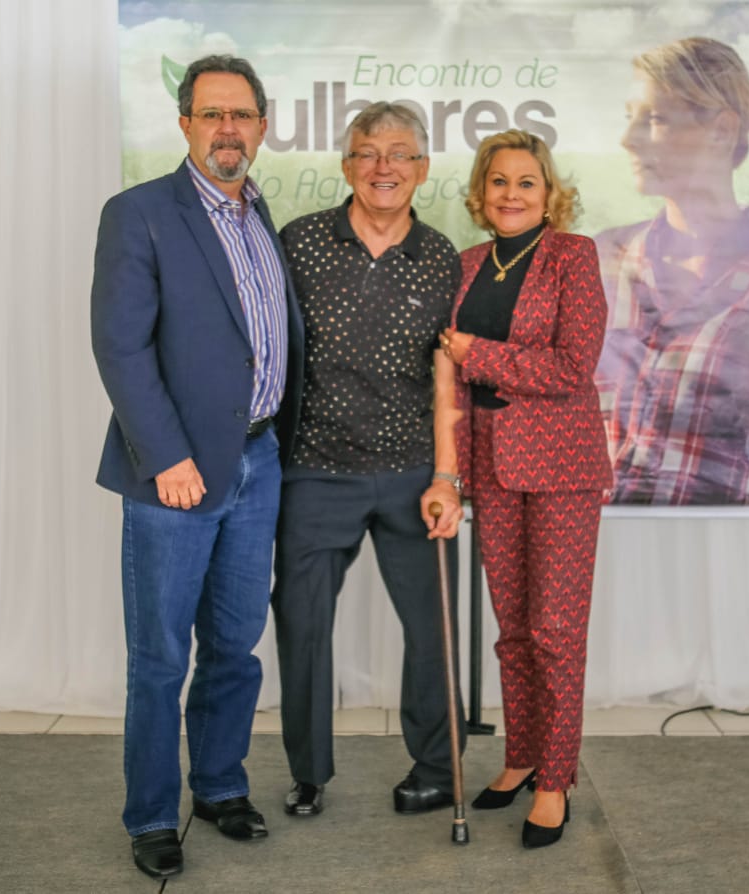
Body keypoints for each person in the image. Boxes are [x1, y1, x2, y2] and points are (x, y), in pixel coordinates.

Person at [90, 54, 303, 881]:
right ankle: (150, 815)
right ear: (184, 123)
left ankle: (218, 786)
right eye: (211, 113)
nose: (227, 128)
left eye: (240, 114)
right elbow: (120, 347)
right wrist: (168, 458)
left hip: (257, 461)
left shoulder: (258, 214)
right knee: (159, 659)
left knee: (234, 646)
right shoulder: (139, 213)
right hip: (175, 476)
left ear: (261, 125)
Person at [272, 101, 465, 820]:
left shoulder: (442, 257)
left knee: (432, 628)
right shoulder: (300, 242)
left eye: (399, 153)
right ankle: (308, 773)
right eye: (368, 153)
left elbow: (448, 377)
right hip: (315, 469)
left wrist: (446, 476)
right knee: (302, 623)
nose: (384, 167)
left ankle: (437, 768)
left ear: (422, 168)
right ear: (347, 165)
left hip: (414, 472)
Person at [440, 129, 610, 849]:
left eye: (526, 182)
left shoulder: (573, 256)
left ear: (549, 193)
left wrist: (478, 353)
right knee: (512, 631)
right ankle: (520, 755)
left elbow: (572, 367)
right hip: (491, 468)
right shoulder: (465, 264)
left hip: (562, 468)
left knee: (555, 631)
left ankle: (554, 779)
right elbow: (449, 376)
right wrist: (449, 470)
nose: (511, 194)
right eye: (499, 181)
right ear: (481, 193)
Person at [595, 36, 749, 506]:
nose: (628, 138)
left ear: (722, 130)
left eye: (655, 118)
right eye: (630, 116)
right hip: (594, 538)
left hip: (717, 541)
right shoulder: (601, 258)